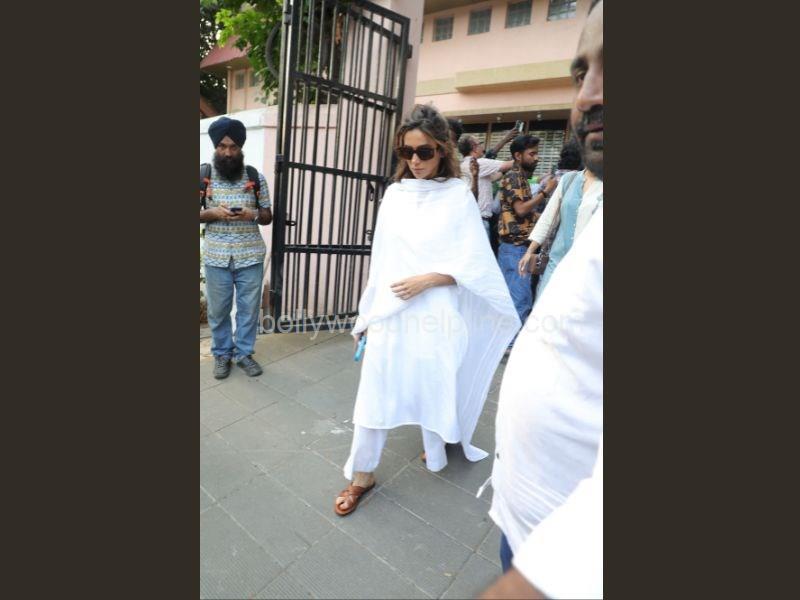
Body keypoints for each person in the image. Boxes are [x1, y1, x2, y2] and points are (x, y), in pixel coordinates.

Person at [332, 104, 519, 516]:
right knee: (375, 392)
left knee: (434, 382)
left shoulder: (457, 196)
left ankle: (438, 443)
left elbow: (475, 266)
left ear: (442, 150)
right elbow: (381, 263)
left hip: (437, 310)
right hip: (392, 310)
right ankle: (362, 475)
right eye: (406, 152)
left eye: (424, 152)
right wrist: (367, 315)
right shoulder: (395, 196)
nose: (415, 161)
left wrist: (429, 279)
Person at [480, 0, 604, 597]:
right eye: (581, 73)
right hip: (524, 518)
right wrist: (534, 243)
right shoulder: (528, 179)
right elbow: (532, 214)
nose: (587, 95)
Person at [199, 117, 273, 379]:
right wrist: (212, 213)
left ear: (241, 147)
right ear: (215, 147)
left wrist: (251, 214)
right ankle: (222, 355)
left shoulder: (255, 177)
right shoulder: (203, 177)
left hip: (250, 256)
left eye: (233, 147)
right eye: (222, 146)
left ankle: (244, 354)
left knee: (248, 310)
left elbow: (267, 215)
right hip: (216, 257)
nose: (228, 152)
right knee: (218, 311)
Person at [496, 135, 558, 334]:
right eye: (532, 154)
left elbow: (522, 213)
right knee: (520, 300)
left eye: (537, 153)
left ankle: (509, 341)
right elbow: (521, 209)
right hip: (515, 248)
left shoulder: (519, 177)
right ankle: (513, 343)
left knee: (516, 299)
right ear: (518, 155)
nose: (537, 158)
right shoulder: (514, 177)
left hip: (515, 247)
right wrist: (545, 192)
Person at [517, 159, 602, 300]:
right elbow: (548, 217)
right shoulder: (569, 180)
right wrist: (530, 251)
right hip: (556, 261)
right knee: (544, 306)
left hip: (587, 266)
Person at [457, 135, 514, 236]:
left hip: (471, 219)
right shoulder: (478, 163)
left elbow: (492, 178)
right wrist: (519, 157)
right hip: (479, 221)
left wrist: (504, 170)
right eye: (480, 144)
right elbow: (509, 164)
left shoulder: (463, 165)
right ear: (474, 148)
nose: (482, 147)